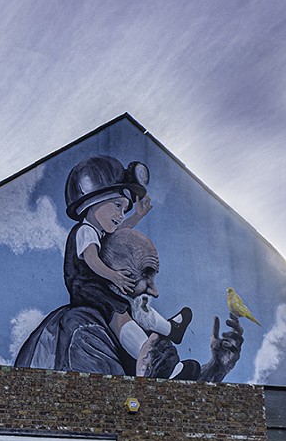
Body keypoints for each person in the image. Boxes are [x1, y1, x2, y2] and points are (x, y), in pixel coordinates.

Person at [17, 226, 244, 381]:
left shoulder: (131, 332)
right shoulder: (84, 332)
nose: (154, 291)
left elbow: (179, 399)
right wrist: (150, 382)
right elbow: (114, 420)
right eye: (145, 275)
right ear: (113, 274)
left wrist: (216, 368)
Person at [62, 155, 193, 373]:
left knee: (132, 307)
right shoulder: (85, 231)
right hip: (86, 287)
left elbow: (122, 230)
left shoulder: (100, 230)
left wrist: (139, 215)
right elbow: (92, 260)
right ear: (93, 203)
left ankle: (170, 330)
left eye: (124, 209)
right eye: (117, 206)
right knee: (118, 311)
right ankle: (149, 355)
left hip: (98, 285)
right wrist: (114, 276)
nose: (121, 215)